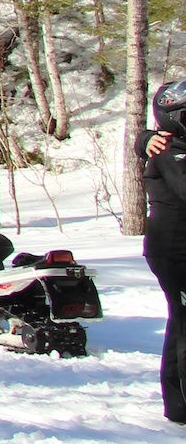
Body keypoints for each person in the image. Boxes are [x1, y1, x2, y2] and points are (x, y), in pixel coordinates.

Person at [141, 80, 186, 424]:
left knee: (180, 323)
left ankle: (178, 405)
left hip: (174, 248)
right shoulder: (172, 149)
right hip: (174, 251)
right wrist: (144, 140)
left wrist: (142, 140)